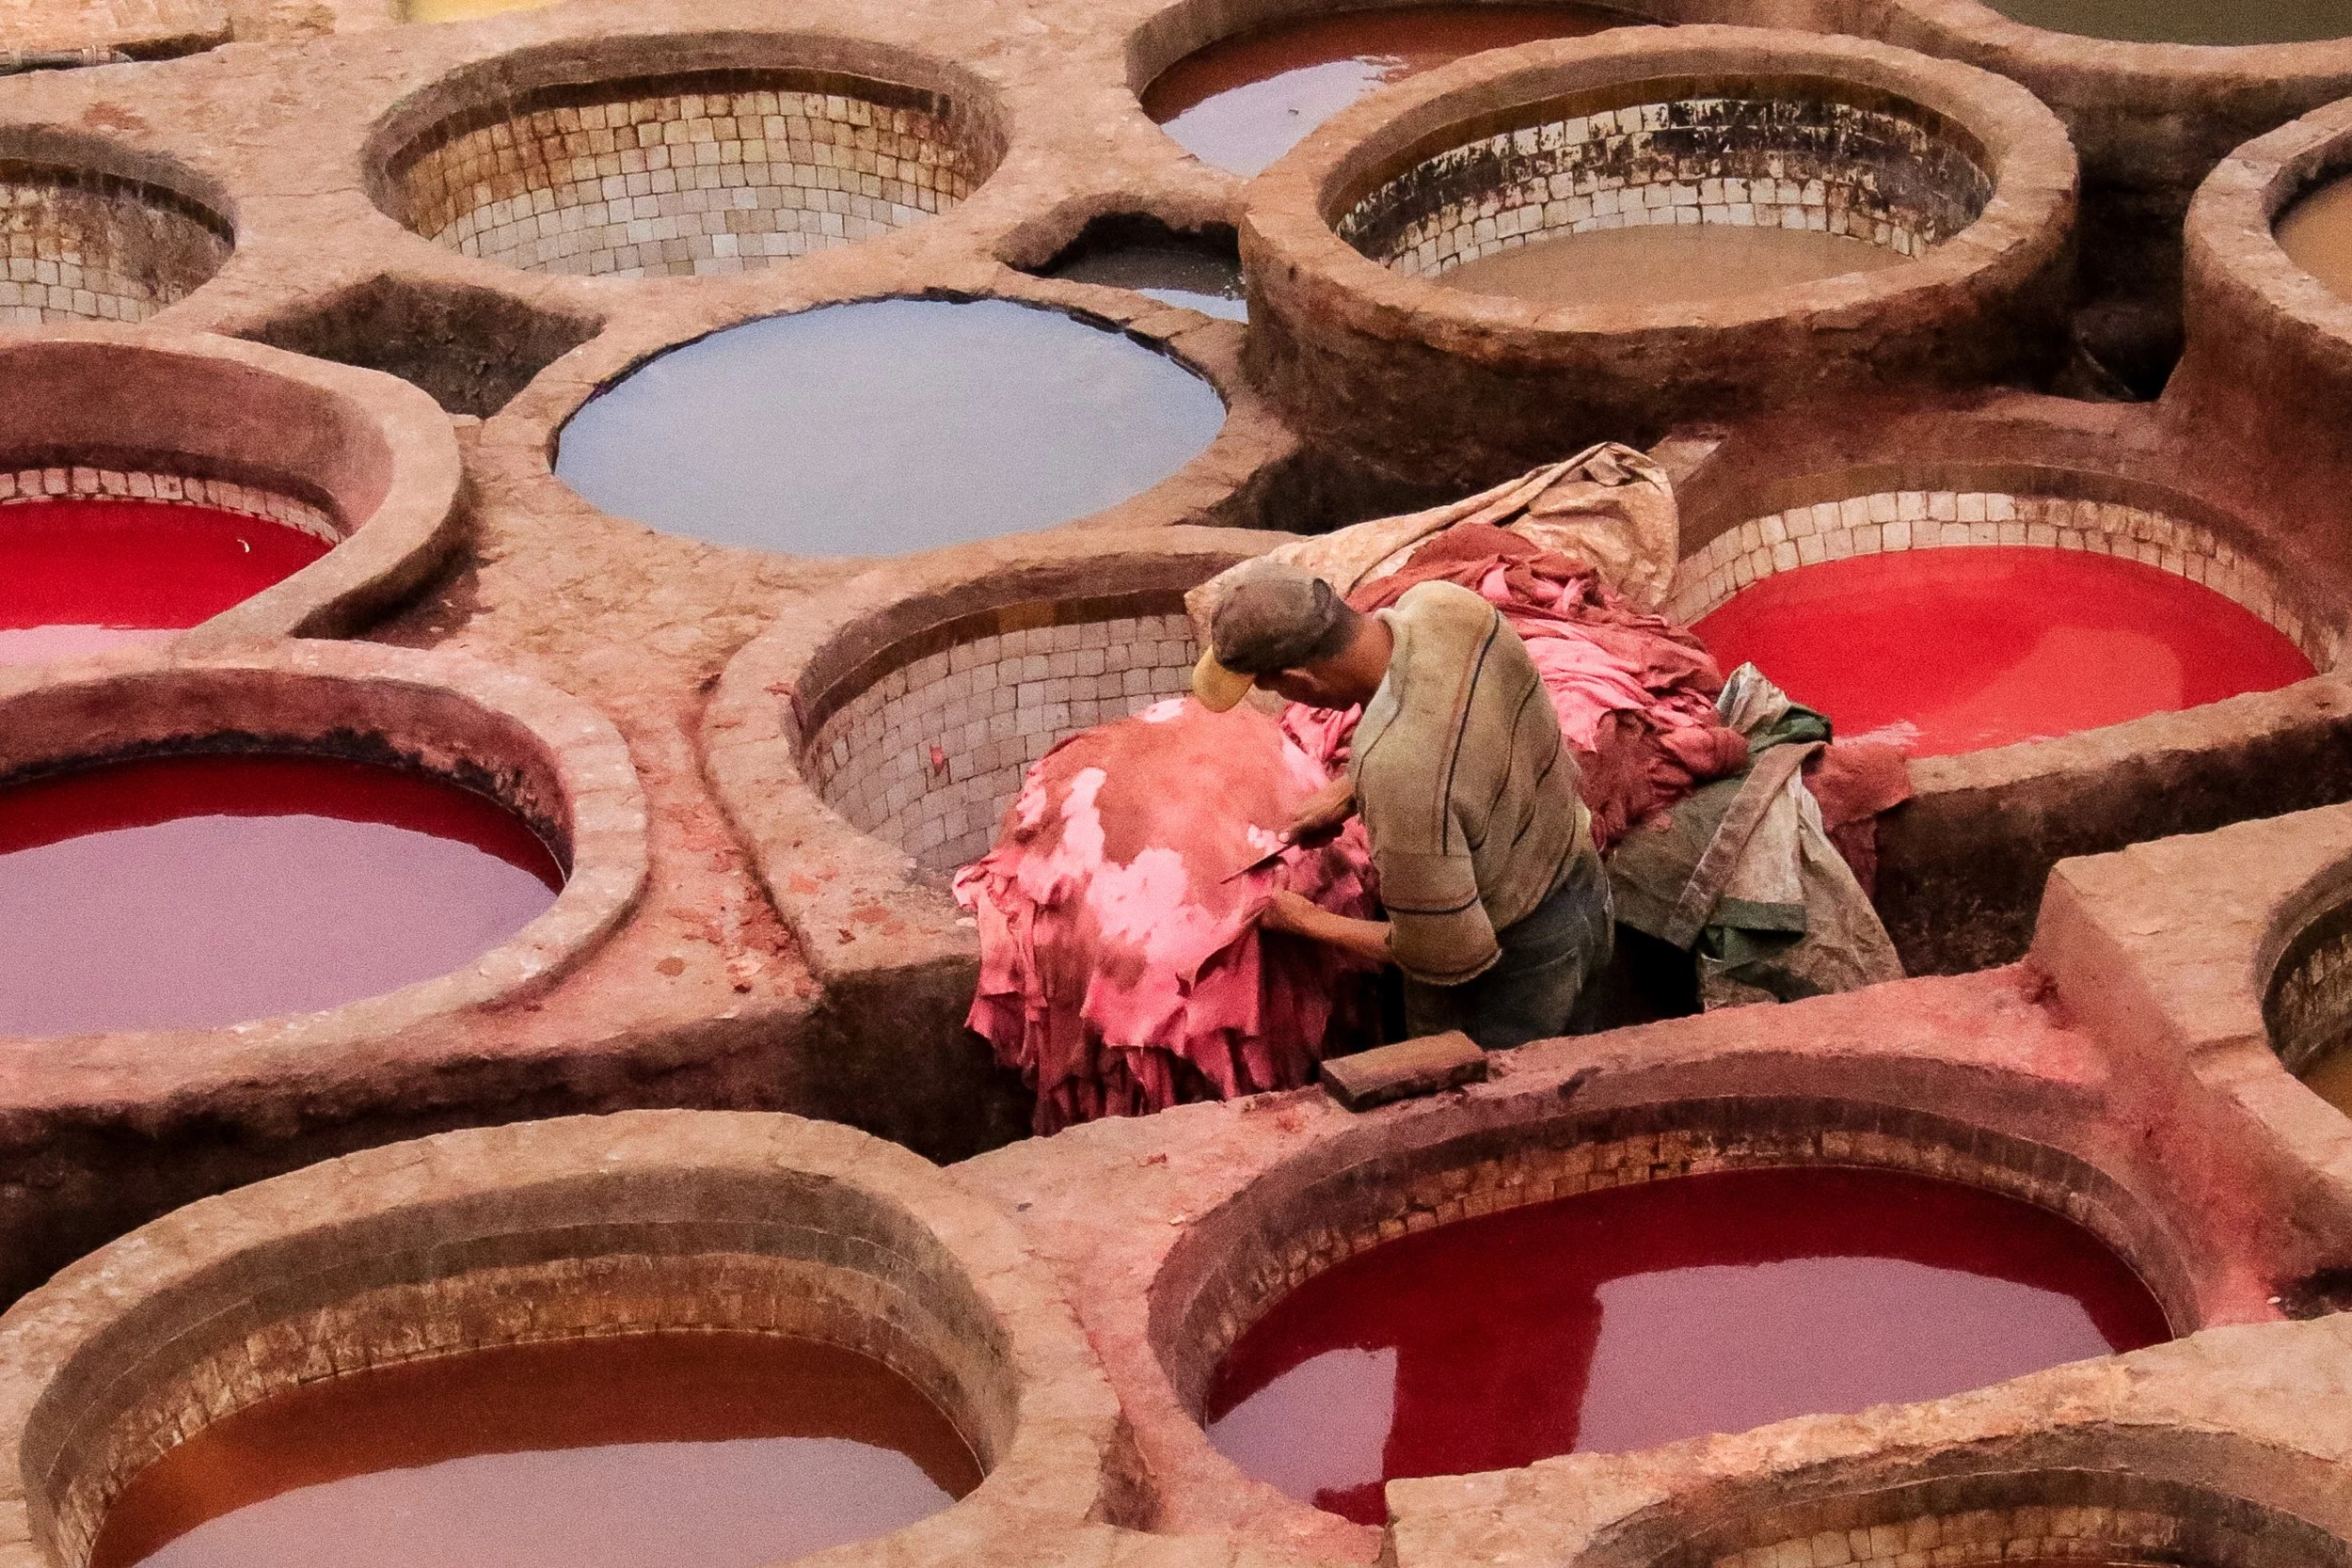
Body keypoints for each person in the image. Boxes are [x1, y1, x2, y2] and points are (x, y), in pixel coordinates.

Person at [1191, 558, 1612, 1050]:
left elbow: (1449, 953)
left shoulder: (1397, 767)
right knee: (1582, 1060)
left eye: (1276, 686)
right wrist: (1352, 791)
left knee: (1496, 1108)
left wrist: (1308, 921)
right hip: (1583, 886)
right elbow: (1463, 726)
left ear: (1300, 679)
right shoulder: (1446, 605)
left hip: (1518, 966)